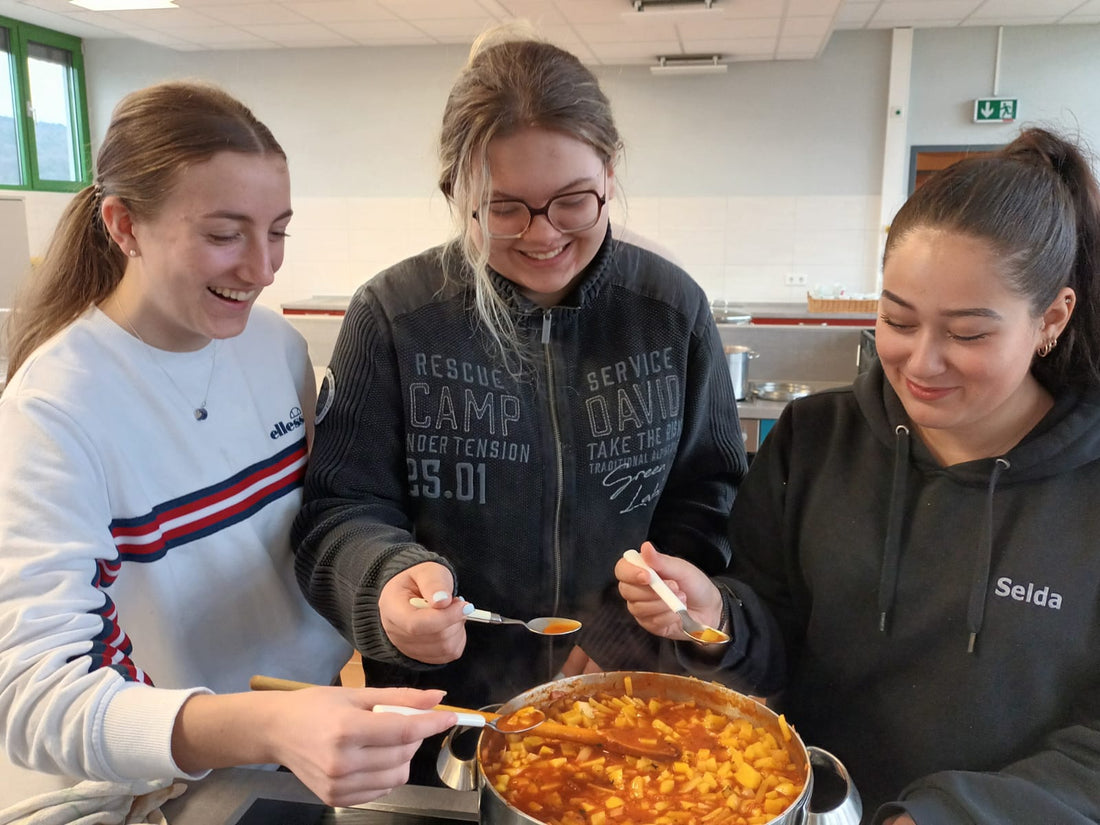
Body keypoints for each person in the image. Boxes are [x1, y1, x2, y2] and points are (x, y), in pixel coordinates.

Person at [292, 25, 747, 784]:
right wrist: (387, 584)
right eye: (504, 209)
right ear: (456, 196)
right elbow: (338, 511)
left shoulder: (669, 310)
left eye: (573, 200)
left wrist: (617, 632)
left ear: (609, 170)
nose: (544, 236)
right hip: (443, 719)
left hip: (625, 704)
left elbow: (711, 499)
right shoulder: (396, 316)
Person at [615, 126, 1100, 824]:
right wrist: (718, 616)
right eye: (898, 320)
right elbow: (770, 643)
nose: (922, 363)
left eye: (967, 334)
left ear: (1052, 316)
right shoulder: (814, 440)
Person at [0, 80, 458, 815]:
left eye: (278, 230)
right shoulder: (54, 410)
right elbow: (33, 698)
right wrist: (264, 727)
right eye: (224, 235)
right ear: (123, 226)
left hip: (303, 740)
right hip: (166, 782)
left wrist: (386, 584)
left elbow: (324, 522)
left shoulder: (272, 346)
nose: (263, 267)